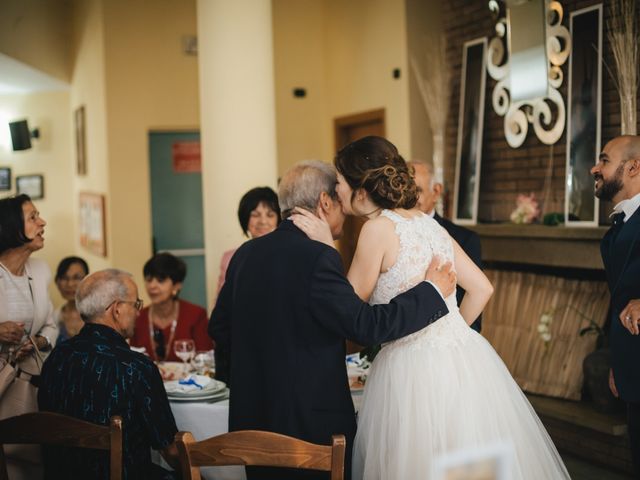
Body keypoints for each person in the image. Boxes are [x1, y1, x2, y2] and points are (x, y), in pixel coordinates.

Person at [293, 137, 569, 480]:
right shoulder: (428, 223)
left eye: (339, 182)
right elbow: (482, 288)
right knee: (471, 465)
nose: (336, 191)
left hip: (410, 368)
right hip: (465, 358)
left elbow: (349, 310)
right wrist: (449, 334)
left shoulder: (376, 231)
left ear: (361, 189)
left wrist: (324, 249)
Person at [209, 159, 456, 480]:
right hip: (312, 435)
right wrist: (430, 293)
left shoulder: (246, 254)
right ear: (325, 202)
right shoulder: (319, 256)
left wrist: (251, 383)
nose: (347, 211)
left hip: (252, 427)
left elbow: (219, 328)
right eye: (340, 201)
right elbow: (365, 326)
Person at [38, 269, 179, 480]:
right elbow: (169, 450)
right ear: (117, 309)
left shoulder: (55, 358)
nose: (139, 312)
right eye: (136, 304)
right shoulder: (136, 368)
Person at [591, 134, 640, 477]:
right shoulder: (614, 233)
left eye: (604, 160)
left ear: (633, 167)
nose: (595, 168)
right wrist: (616, 361)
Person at [0, 194, 57, 478]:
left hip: (26, 386)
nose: (42, 222)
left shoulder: (41, 270)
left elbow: (51, 325)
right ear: (11, 227)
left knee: (28, 461)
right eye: (33, 217)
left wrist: (39, 341)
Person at [410, 160, 484, 331]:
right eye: (405, 190)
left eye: (417, 190)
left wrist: (453, 345)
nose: (409, 197)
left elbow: (474, 310)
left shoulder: (464, 239)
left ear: (436, 192)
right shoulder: (390, 233)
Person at [130, 253, 212, 362]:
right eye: (149, 279)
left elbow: (206, 360)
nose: (152, 286)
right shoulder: (138, 317)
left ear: (176, 286)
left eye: (160, 280)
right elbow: (133, 361)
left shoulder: (196, 315)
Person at [216, 186, 281, 294]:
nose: (263, 221)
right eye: (255, 215)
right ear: (245, 219)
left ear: (278, 220)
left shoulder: (288, 255)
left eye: (270, 215)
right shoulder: (230, 258)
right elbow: (221, 303)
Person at [53, 256, 89, 342]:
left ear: (88, 280)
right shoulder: (54, 318)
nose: (70, 284)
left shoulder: (99, 316)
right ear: (57, 282)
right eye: (64, 278)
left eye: (76, 278)